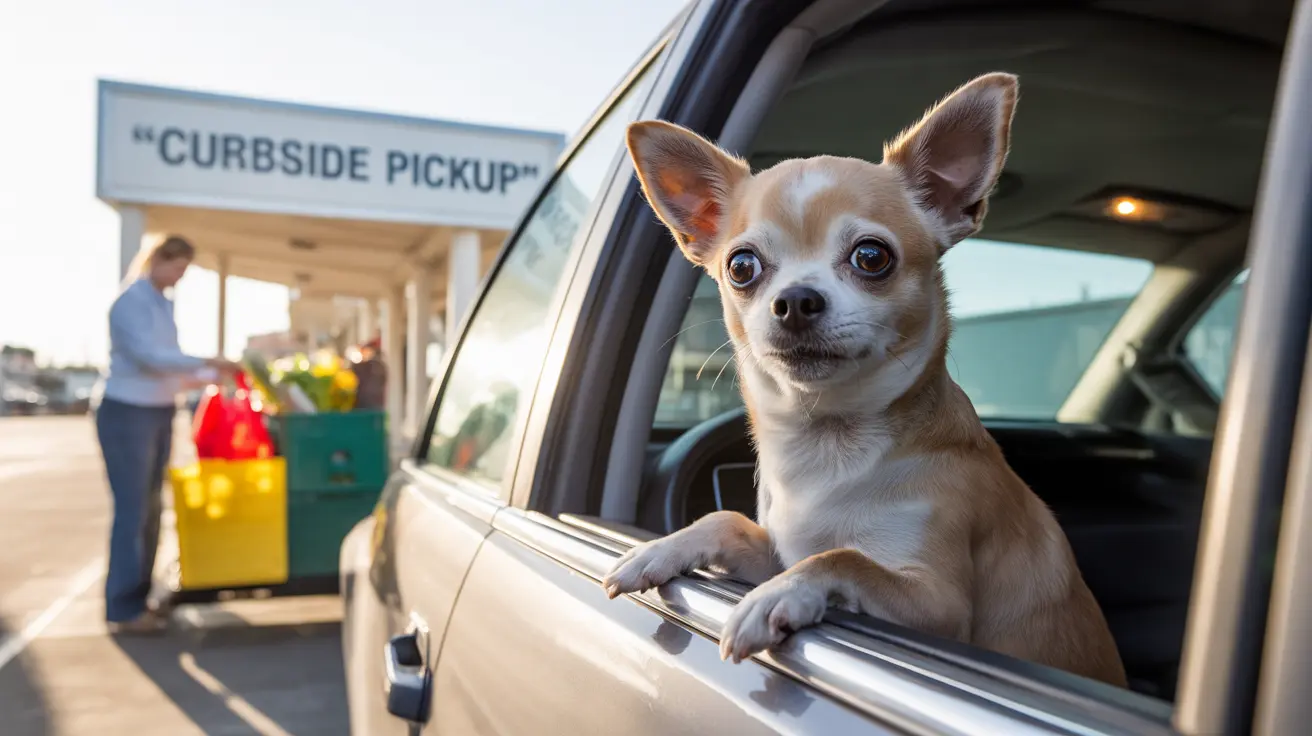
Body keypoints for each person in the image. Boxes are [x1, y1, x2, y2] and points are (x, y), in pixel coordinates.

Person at [96, 235, 240, 633]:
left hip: (158, 411)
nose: (179, 277)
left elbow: (173, 371)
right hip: (128, 413)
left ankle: (141, 597)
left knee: (153, 507)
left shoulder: (162, 304)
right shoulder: (131, 302)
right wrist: (208, 361)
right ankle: (123, 608)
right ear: (158, 258)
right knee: (132, 510)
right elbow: (152, 359)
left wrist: (214, 375)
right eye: (177, 268)